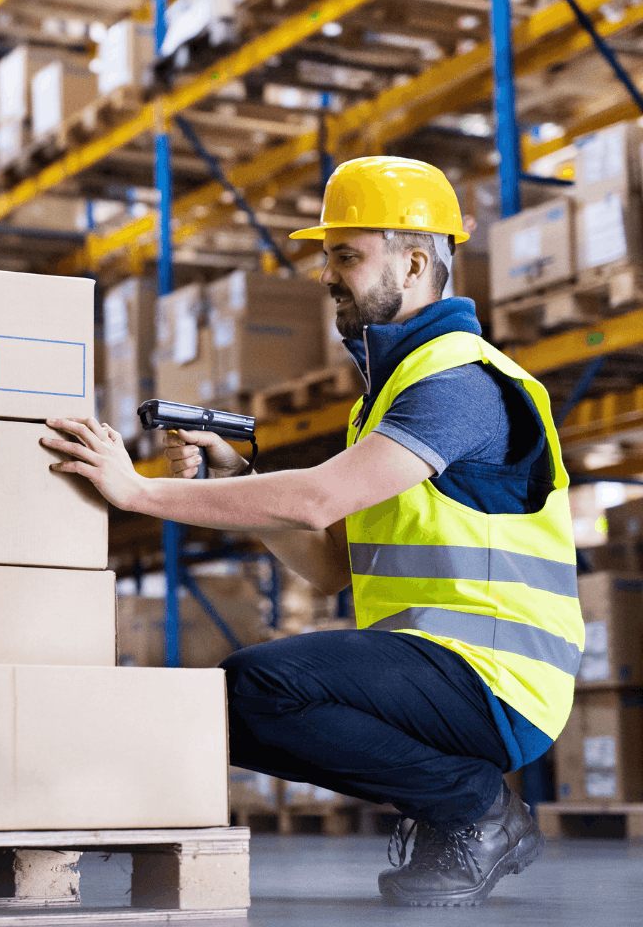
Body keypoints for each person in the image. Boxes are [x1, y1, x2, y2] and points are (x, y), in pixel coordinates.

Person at [41, 156, 584, 908]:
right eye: (328, 256)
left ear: (416, 261)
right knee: (243, 701)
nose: (328, 274)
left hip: (497, 678)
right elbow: (329, 566)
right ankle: (462, 807)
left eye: (347, 255)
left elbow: (316, 500)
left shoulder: (460, 385)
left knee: (257, 687)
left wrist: (137, 491)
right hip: (443, 669)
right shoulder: (388, 399)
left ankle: (473, 810)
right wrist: (233, 481)